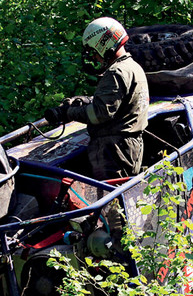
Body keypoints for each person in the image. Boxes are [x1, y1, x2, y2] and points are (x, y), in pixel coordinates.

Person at [44, 17, 149, 180]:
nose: (94, 57)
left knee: (110, 197)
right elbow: (117, 103)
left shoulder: (116, 73)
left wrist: (67, 113)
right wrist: (85, 102)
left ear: (103, 45)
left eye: (93, 52)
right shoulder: (132, 67)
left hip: (113, 150)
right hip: (128, 145)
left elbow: (100, 113)